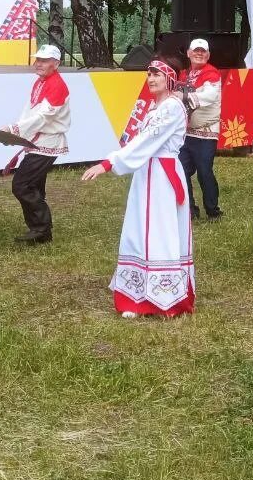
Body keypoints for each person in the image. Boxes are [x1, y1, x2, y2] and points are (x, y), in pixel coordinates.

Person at [82, 58, 194, 317]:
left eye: (156, 74)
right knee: (139, 228)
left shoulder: (172, 108)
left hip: (162, 176)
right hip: (147, 173)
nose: (151, 79)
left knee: (160, 229)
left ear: (169, 77)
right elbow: (139, 141)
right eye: (149, 74)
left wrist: (110, 163)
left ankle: (164, 297)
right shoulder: (156, 108)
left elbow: (147, 141)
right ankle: (136, 295)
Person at [0, 44, 71, 242]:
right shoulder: (41, 82)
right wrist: (16, 135)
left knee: (22, 185)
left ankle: (41, 229)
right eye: (38, 59)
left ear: (56, 64)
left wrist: (15, 130)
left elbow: (42, 117)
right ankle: (40, 231)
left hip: (47, 142)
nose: (39, 63)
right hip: (39, 140)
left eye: (44, 60)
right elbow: (31, 112)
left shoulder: (57, 85)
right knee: (34, 186)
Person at [178, 38, 224, 221]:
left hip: (206, 132)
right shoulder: (183, 74)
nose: (199, 53)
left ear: (208, 55)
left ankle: (213, 211)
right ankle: (190, 210)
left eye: (203, 51)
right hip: (185, 132)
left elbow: (210, 96)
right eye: (196, 50)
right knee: (181, 170)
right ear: (188, 53)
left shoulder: (212, 74)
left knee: (205, 171)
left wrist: (182, 96)